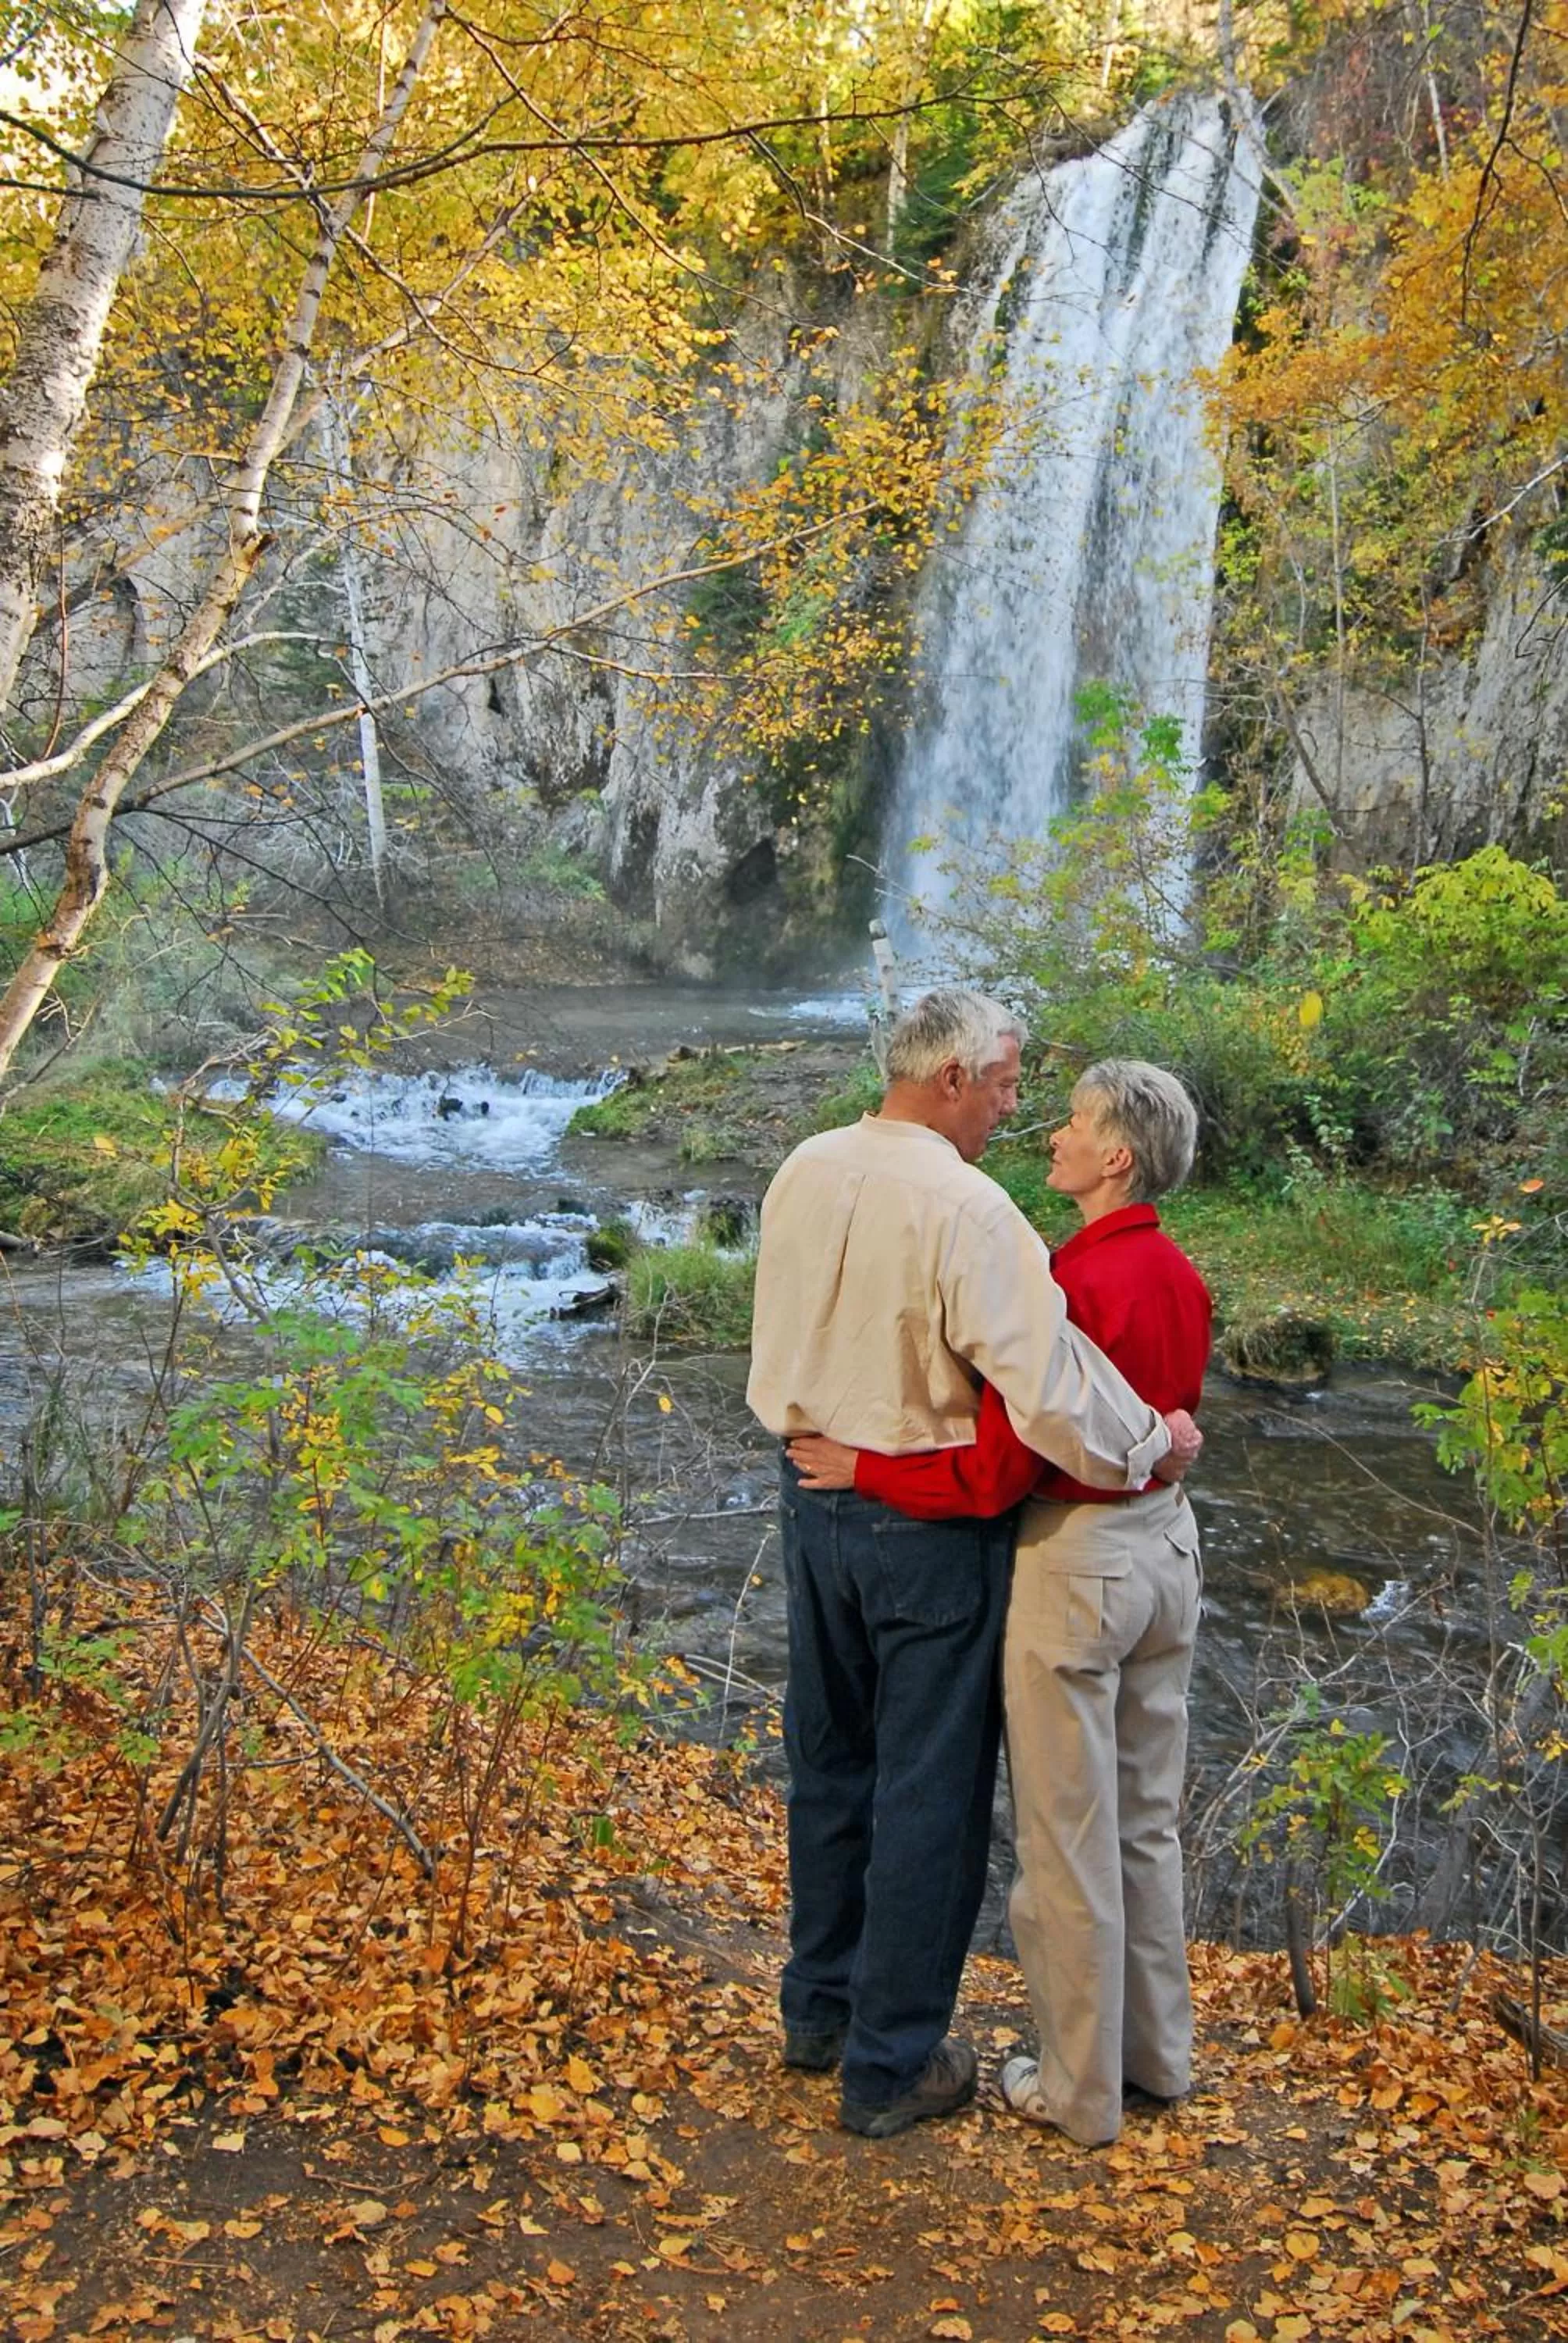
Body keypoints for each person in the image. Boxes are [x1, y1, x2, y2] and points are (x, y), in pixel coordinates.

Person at [747, 996, 1201, 2141]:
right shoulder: (971, 1205)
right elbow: (1047, 1390)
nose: (1017, 1107)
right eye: (1003, 1083)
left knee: (832, 1764)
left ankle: (819, 2013)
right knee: (930, 1798)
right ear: (951, 1076)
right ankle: (891, 2064)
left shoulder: (804, 1166)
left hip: (810, 1497)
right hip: (926, 1521)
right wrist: (1152, 1441)